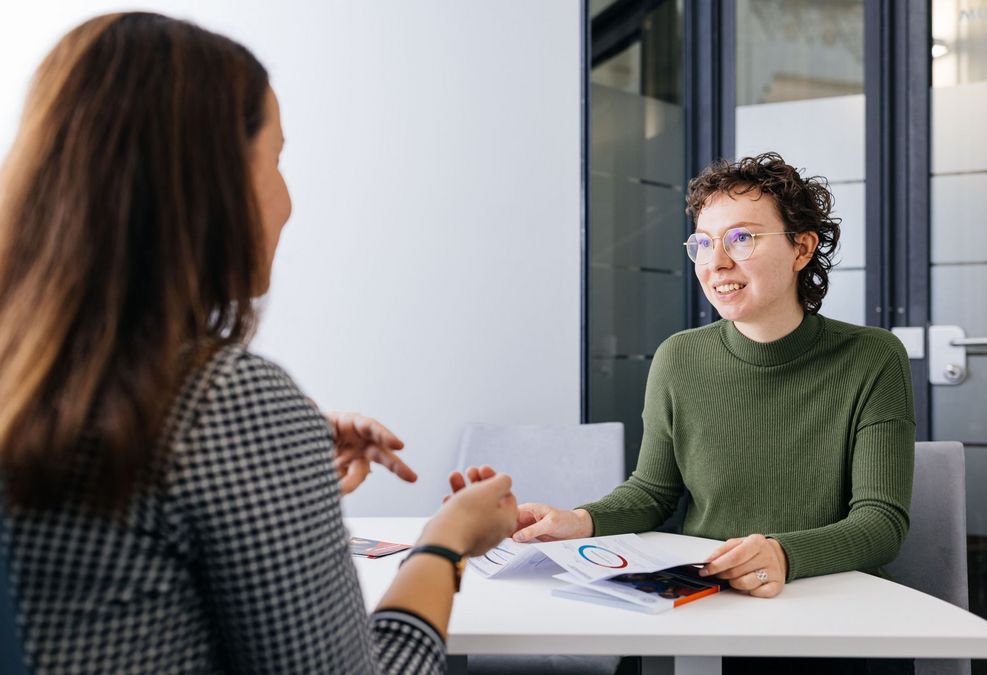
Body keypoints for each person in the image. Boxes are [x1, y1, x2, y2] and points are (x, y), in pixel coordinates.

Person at [0, 13, 516, 674]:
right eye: (275, 158)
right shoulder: (224, 404)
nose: (289, 200)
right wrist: (448, 537)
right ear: (206, 182)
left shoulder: (55, 393)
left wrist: (288, 445)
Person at [500, 152, 916, 674]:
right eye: (702, 242)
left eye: (742, 238)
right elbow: (652, 493)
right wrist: (580, 520)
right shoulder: (679, 357)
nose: (715, 262)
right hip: (707, 607)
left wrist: (784, 555)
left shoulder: (872, 357)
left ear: (801, 248)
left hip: (836, 615)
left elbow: (881, 523)